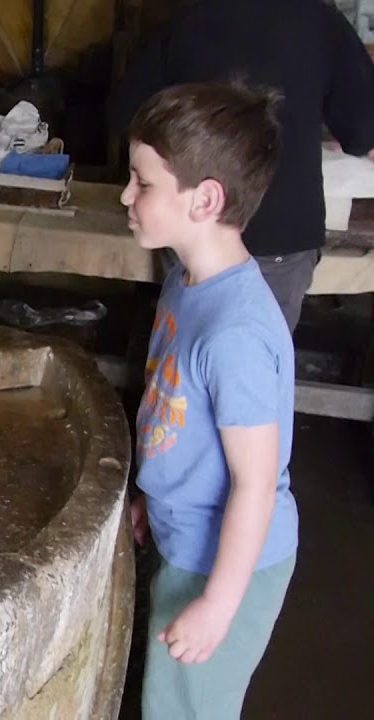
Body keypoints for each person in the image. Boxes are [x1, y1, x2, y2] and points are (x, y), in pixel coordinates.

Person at [123, 81, 298, 719]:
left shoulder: (237, 334)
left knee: (186, 710)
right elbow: (179, 413)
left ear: (206, 200)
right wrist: (155, 491)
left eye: (142, 183)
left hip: (229, 565)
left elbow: (255, 484)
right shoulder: (185, 283)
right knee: (167, 698)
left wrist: (219, 606)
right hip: (187, 538)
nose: (127, 197)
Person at [108, 0, 374, 333]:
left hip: (195, 224)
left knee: (184, 357)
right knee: (248, 361)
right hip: (280, 231)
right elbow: (362, 131)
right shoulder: (319, 19)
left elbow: (125, 112)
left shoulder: (191, 17)